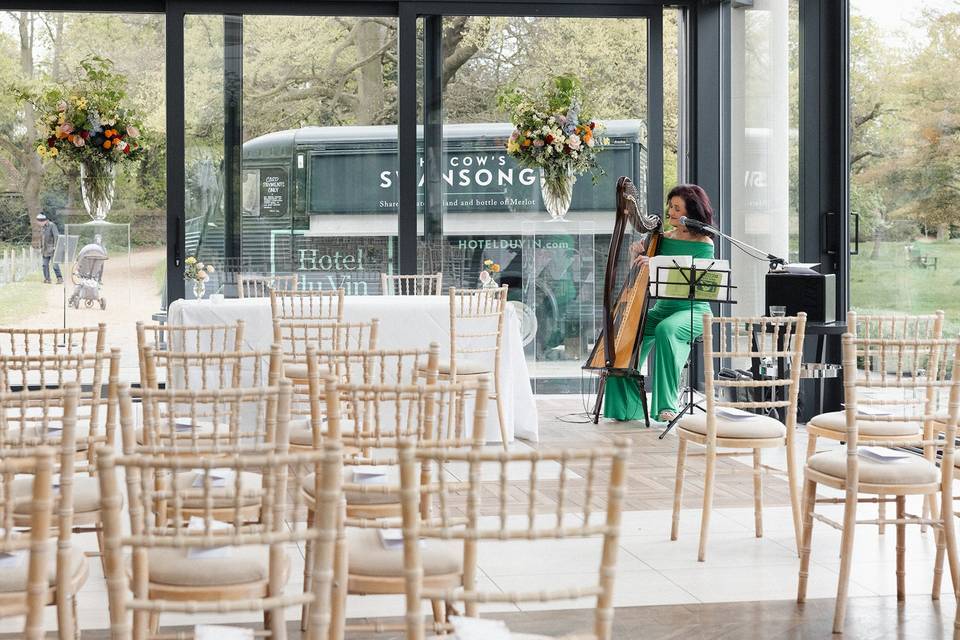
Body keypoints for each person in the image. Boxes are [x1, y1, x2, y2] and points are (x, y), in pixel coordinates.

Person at [604, 184, 716, 424]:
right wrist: (635, 256)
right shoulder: (660, 238)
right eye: (670, 206)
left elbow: (696, 281)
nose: (671, 212)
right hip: (663, 309)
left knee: (667, 330)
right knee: (625, 332)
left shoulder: (705, 243)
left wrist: (654, 262)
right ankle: (626, 407)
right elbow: (639, 273)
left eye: (677, 208)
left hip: (693, 310)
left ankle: (667, 405)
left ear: (692, 211)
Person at [37, 213, 63, 284]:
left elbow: (56, 236)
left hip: (52, 249)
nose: (38, 223)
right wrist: (40, 247)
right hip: (45, 250)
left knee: (55, 265)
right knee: (44, 265)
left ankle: (59, 278)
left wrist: (55, 246)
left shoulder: (52, 225)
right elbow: (41, 238)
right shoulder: (42, 227)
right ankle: (47, 279)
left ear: (43, 221)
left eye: (39, 222)